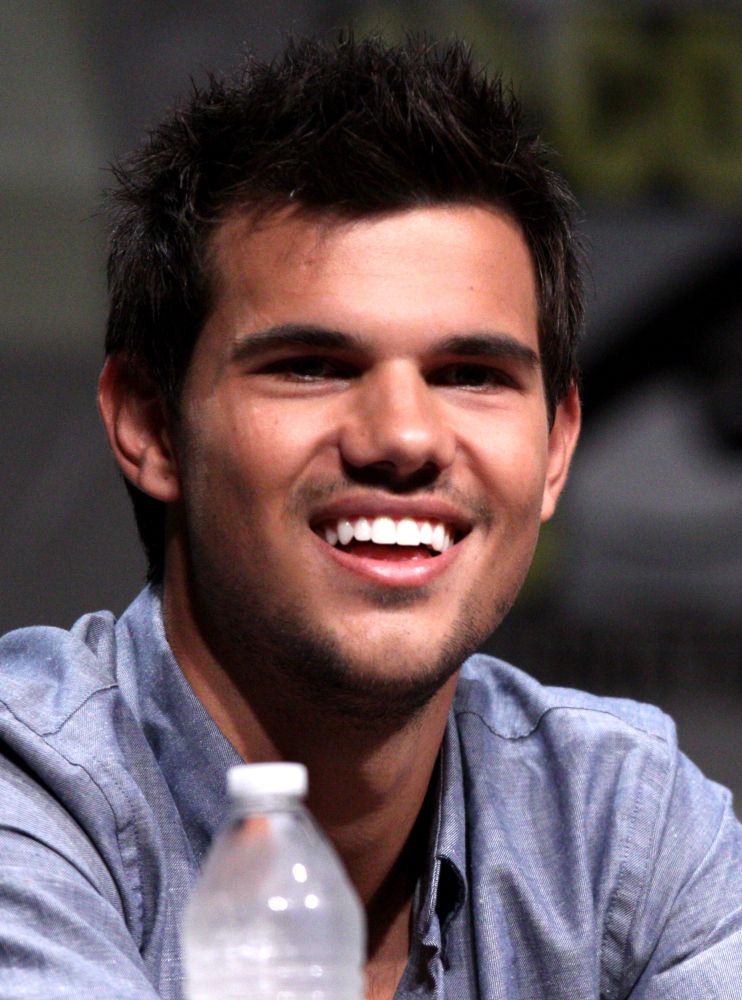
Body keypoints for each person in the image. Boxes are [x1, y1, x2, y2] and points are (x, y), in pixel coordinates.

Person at [0, 34, 739, 1000]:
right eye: (311, 366)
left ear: (557, 449)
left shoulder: (621, 822)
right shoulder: (32, 795)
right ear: (150, 425)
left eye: (471, 376)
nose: (403, 436)